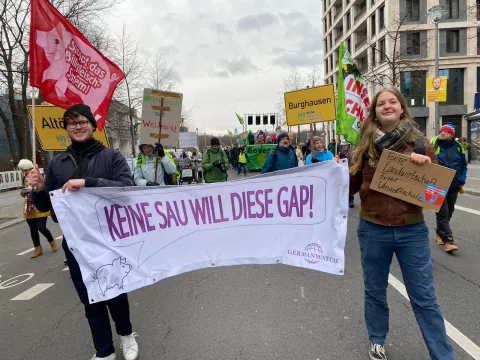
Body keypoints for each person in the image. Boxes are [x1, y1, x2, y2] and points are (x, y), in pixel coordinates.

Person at [27, 104, 139, 360]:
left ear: (92, 125)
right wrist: (38, 188)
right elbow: (47, 205)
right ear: (66, 129)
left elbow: (127, 189)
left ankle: (127, 335)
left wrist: (88, 183)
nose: (77, 127)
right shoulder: (57, 163)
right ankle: (104, 350)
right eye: (71, 123)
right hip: (76, 243)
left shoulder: (111, 157)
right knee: (90, 298)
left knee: (115, 293)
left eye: (82, 122)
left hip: (109, 239)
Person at [349, 87, 453, 360]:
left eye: (392, 101)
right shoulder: (364, 145)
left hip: (412, 232)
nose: (387, 106)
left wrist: (425, 168)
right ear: (374, 112)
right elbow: (349, 188)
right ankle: (377, 340)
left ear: (401, 108)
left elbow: (435, 194)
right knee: (375, 291)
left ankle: (442, 355)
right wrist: (343, 167)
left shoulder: (420, 143)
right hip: (373, 230)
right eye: (381, 103)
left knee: (425, 298)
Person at [431, 123, 468, 253]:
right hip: (435, 185)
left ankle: (439, 233)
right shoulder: (433, 144)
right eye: (441, 131)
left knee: (449, 211)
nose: (442, 133)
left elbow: (464, 165)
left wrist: (462, 179)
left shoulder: (458, 147)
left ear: (451, 135)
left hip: (454, 185)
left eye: (445, 132)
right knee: (442, 213)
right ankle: (449, 240)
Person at [18, 159, 57, 258]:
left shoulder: (40, 175)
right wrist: (24, 191)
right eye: (22, 171)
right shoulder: (24, 179)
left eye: (25, 170)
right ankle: (37, 248)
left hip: (40, 207)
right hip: (29, 207)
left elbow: (45, 188)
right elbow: (22, 193)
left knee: (41, 227)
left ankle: (52, 241)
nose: (24, 172)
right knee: (33, 229)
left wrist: (37, 187)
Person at [338, 141, 355, 208]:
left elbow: (353, 162)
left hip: (349, 171)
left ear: (348, 146)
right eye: (343, 146)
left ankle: (351, 199)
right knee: (343, 186)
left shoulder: (351, 153)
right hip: (342, 171)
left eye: (345, 145)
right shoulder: (340, 153)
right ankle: (344, 200)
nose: (344, 147)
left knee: (349, 186)